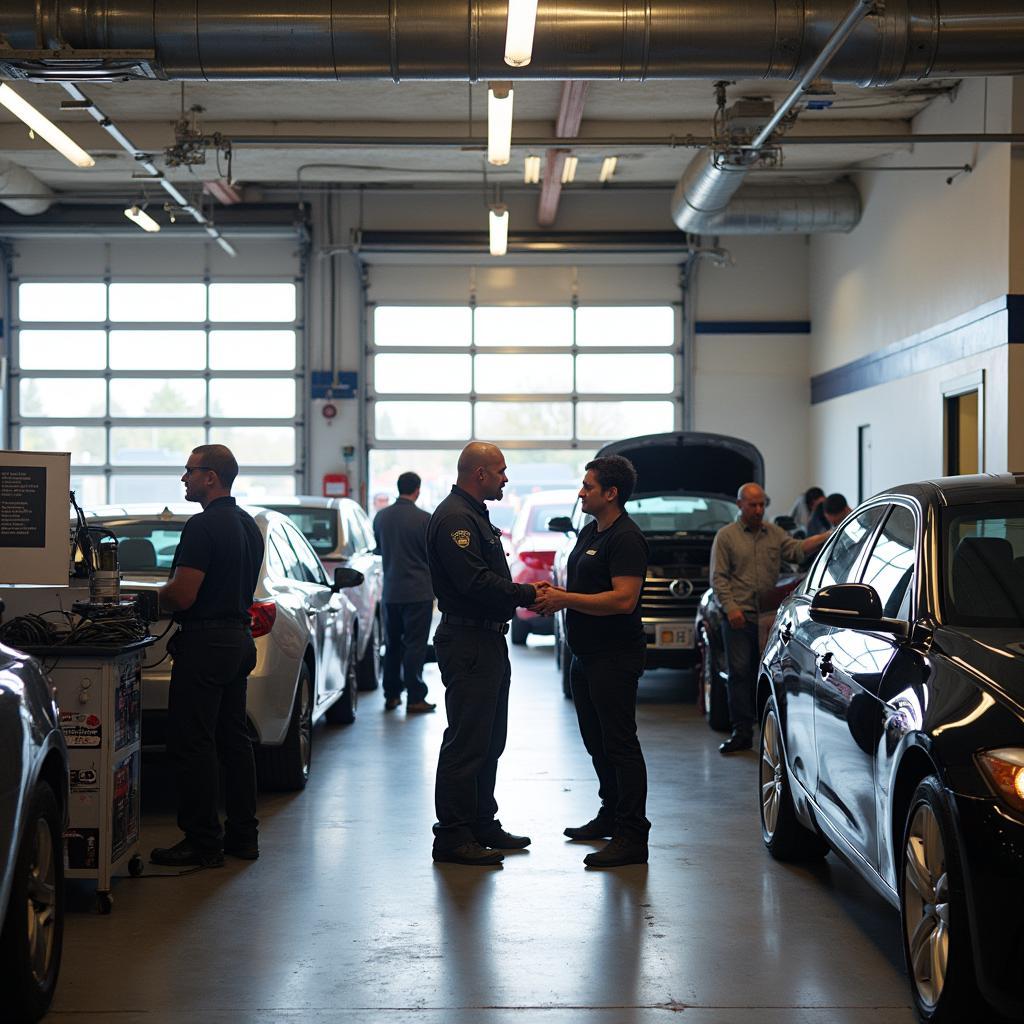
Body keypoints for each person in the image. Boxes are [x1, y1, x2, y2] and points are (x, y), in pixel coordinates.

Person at [532, 455, 650, 868]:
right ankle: (610, 813)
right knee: (595, 741)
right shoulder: (589, 531)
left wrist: (564, 599)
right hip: (586, 656)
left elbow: (623, 599)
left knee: (620, 743)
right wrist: (554, 592)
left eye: (588, 486)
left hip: (614, 657)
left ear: (611, 493)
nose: (581, 492)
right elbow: (583, 585)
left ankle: (633, 834)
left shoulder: (626, 538)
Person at [151, 445, 265, 867]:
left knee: (192, 742)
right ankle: (243, 837)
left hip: (205, 644)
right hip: (238, 641)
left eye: (190, 471)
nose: (184, 478)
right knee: (234, 741)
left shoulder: (202, 527)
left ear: (211, 477)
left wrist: (140, 602)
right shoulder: (248, 524)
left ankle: (201, 841)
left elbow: (183, 594)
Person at [427, 442, 538, 866]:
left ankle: (480, 821)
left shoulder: (474, 515)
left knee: (490, 738)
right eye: (501, 471)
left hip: (487, 639)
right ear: (479, 474)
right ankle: (453, 836)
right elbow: (474, 582)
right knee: (467, 741)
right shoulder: (457, 518)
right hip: (469, 640)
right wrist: (527, 593)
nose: (505, 478)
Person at [710, 483, 830, 755]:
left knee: (764, 674)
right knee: (739, 674)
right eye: (752, 505)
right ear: (740, 504)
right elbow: (719, 578)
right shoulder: (726, 537)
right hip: (738, 617)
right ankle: (741, 732)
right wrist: (730, 608)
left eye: (762, 504)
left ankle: (767, 727)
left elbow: (798, 550)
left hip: (767, 620)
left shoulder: (775, 534)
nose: (758, 509)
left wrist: (829, 535)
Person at [372, 470, 435, 714]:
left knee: (393, 644)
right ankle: (415, 697)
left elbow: (378, 549)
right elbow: (432, 556)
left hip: (391, 593)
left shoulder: (381, 517)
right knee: (415, 645)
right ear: (417, 490)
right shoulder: (424, 519)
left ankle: (391, 695)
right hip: (419, 593)